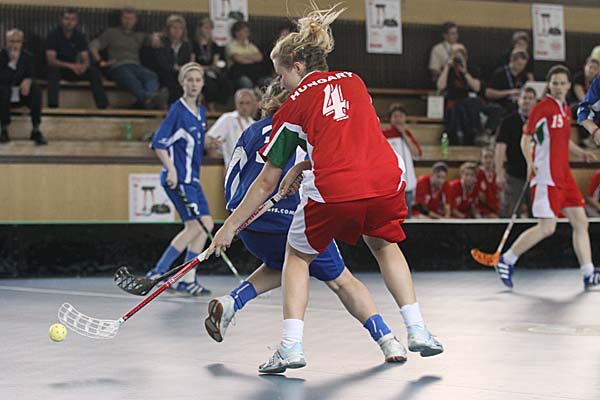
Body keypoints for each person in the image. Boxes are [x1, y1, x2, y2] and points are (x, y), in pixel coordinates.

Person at [209, 3, 443, 374]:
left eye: (282, 75)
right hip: (385, 181)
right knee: (385, 246)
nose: (281, 84)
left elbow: (267, 180)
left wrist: (229, 226)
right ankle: (418, 329)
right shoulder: (355, 81)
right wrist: (303, 164)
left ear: (297, 67)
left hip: (335, 190)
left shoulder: (294, 105)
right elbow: (350, 141)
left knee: (297, 257)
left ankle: (290, 346)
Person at [205, 78, 407, 364]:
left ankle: (232, 302)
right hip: (292, 220)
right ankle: (388, 340)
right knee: (342, 281)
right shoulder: (309, 128)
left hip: (251, 225)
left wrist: (233, 222)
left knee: (284, 264)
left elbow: (233, 179)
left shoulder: (251, 131)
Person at [496, 65, 600, 290]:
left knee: (581, 221)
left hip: (565, 176)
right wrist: (529, 162)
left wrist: (580, 153)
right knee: (547, 227)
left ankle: (588, 272)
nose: (559, 87)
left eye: (563, 83)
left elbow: (562, 140)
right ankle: (507, 260)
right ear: (549, 85)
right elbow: (526, 138)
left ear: (569, 85)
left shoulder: (566, 110)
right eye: (555, 83)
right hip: (546, 175)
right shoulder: (541, 108)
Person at [145, 62, 213, 295]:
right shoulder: (177, 110)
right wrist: (171, 170)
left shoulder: (201, 112)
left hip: (194, 180)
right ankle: (158, 272)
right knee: (194, 226)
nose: (194, 84)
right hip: (179, 179)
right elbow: (158, 143)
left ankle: (187, 279)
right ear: (182, 83)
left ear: (203, 83)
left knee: (206, 225)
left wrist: (211, 143)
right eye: (189, 80)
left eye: (198, 80)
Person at [89, 7, 163, 109]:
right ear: (121, 19)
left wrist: (155, 38)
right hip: (118, 66)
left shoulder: (139, 35)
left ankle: (148, 99)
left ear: (135, 20)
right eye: (125, 18)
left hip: (135, 65)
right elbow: (93, 45)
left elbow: (153, 41)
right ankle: (149, 100)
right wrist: (100, 61)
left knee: (151, 76)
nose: (128, 21)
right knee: (131, 79)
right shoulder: (111, 33)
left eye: (131, 19)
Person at [437, 44, 501, 145]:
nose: (458, 57)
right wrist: (447, 67)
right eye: (455, 54)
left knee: (496, 108)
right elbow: (440, 86)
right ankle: (477, 133)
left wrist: (465, 72)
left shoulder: (472, 70)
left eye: (461, 54)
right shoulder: (448, 71)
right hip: (456, 103)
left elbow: (477, 88)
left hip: (474, 103)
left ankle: (486, 132)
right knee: (471, 103)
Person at [45, 8, 108, 109]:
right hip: (60, 68)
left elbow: (86, 58)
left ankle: (102, 107)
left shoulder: (80, 36)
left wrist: (84, 66)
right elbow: (51, 60)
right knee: (53, 71)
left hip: (75, 69)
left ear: (77, 21)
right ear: (61, 19)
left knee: (94, 72)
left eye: (72, 19)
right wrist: (71, 66)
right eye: (67, 19)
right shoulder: (53, 35)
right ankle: (53, 107)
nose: (69, 22)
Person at [495, 87, 537, 218]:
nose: (527, 101)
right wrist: (499, 173)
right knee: (510, 213)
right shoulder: (508, 121)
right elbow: (500, 147)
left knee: (538, 213)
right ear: (518, 100)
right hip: (514, 175)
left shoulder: (541, 122)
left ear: (535, 102)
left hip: (536, 175)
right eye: (524, 98)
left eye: (530, 98)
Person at [0, 29, 47, 145]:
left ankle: (36, 129)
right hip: (4, 95)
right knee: (3, 90)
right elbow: (2, 79)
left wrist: (28, 80)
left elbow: (31, 74)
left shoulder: (28, 56)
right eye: (11, 41)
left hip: (22, 94)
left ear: (22, 43)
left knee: (36, 91)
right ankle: (4, 129)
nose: (14, 44)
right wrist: (12, 63)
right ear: (6, 42)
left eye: (17, 41)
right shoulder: (1, 55)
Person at [382, 103, 422, 217]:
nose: (398, 119)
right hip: (392, 187)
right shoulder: (384, 135)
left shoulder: (408, 135)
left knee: (408, 218)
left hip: (408, 186)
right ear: (390, 119)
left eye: (401, 116)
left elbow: (417, 154)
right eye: (395, 116)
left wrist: (404, 134)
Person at [206, 88, 257, 167]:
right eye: (241, 103)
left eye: (247, 103)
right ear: (236, 104)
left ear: (253, 104)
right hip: (232, 167)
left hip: (250, 168)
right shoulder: (228, 119)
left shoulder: (254, 124)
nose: (244, 106)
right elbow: (209, 139)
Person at [150, 15, 194, 105]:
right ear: (168, 29)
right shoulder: (161, 42)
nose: (177, 31)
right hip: (164, 71)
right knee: (171, 80)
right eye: (174, 28)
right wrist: (175, 67)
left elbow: (187, 61)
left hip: (180, 72)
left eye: (180, 28)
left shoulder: (186, 45)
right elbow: (161, 62)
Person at [193, 17, 229, 109]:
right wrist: (207, 68)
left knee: (226, 83)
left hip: (211, 70)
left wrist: (216, 67)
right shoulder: (194, 44)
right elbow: (192, 63)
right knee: (209, 84)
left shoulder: (214, 45)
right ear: (200, 29)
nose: (208, 30)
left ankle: (220, 105)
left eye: (210, 28)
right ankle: (210, 106)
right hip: (198, 71)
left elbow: (215, 61)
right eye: (206, 28)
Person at [225, 21, 268, 89]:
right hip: (238, 74)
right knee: (247, 83)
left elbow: (260, 57)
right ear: (236, 33)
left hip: (254, 72)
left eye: (248, 31)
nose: (248, 34)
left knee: (268, 81)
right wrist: (252, 58)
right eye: (245, 31)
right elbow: (238, 59)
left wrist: (243, 56)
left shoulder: (250, 46)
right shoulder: (231, 45)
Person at [486, 49, 530, 114]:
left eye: (524, 65)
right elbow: (489, 93)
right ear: (512, 61)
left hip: (518, 104)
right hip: (501, 104)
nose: (521, 68)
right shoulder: (500, 73)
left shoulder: (524, 76)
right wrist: (509, 93)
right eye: (519, 64)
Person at [570, 57, 600, 148]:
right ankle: (585, 138)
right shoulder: (578, 78)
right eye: (590, 67)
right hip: (575, 104)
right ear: (585, 67)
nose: (592, 70)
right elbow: (583, 99)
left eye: (595, 69)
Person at [476, 148, 499, 218]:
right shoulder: (478, 173)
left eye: (491, 157)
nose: (488, 160)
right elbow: (480, 196)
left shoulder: (497, 174)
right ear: (481, 159)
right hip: (482, 209)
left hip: (496, 208)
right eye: (485, 157)